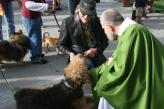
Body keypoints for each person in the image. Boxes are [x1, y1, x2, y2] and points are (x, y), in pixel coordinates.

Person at [89, 9, 164, 109]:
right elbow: (119, 60)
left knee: (105, 89)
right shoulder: (130, 31)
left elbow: (122, 70)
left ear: (109, 27)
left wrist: (94, 75)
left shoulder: (131, 33)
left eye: (103, 29)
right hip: (148, 76)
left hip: (150, 81)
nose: (104, 32)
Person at [59, 0, 108, 69]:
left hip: (96, 55)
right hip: (78, 55)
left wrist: (96, 50)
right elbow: (61, 45)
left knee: (108, 70)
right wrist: (70, 54)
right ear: (78, 10)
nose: (86, 17)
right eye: (83, 14)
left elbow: (105, 42)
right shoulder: (67, 22)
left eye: (90, 15)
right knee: (89, 67)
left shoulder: (97, 21)